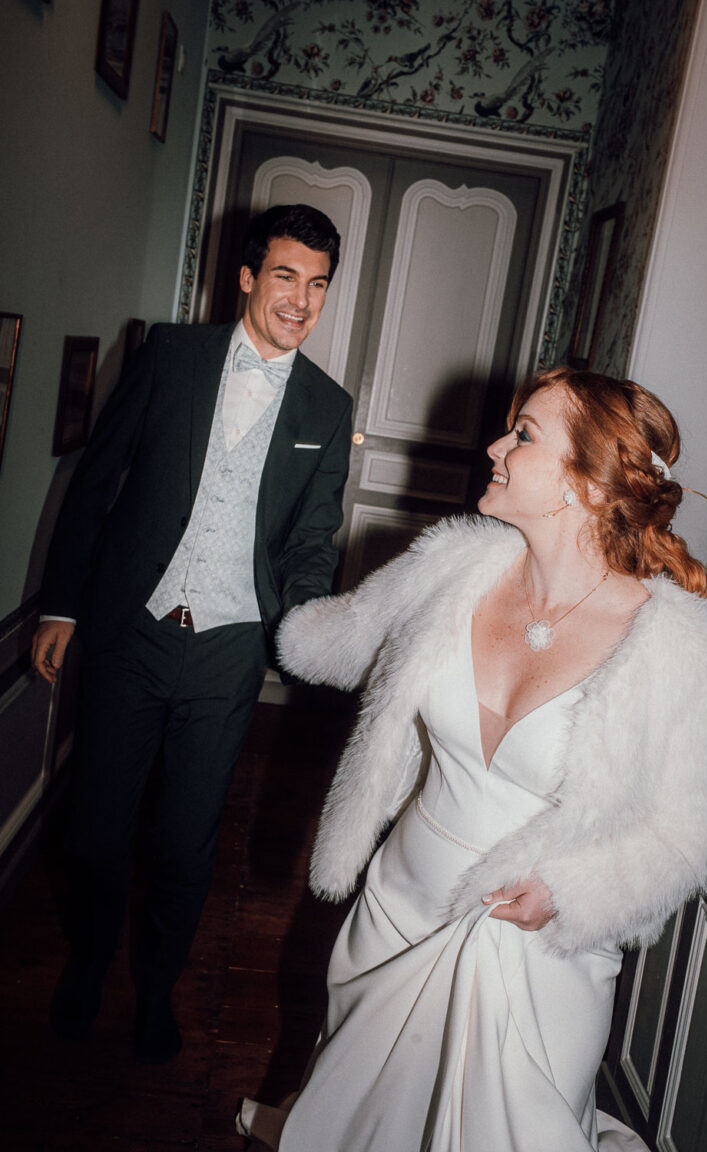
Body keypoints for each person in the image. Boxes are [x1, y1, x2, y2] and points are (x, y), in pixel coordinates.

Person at [237, 367, 707, 1151]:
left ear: (582, 480)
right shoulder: (452, 566)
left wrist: (568, 892)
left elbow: (695, 832)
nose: (494, 446)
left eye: (524, 435)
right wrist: (256, 559)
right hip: (399, 908)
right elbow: (325, 642)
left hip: (538, 954)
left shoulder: (685, 647)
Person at [32, 203, 353, 1063]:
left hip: (229, 650)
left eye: (318, 284)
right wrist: (61, 604)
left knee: (184, 841)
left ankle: (157, 991)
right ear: (247, 277)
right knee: (98, 829)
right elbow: (96, 481)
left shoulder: (328, 404)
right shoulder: (171, 357)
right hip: (133, 632)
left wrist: (315, 626)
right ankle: (90, 965)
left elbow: (312, 541)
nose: (301, 300)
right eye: (285, 276)